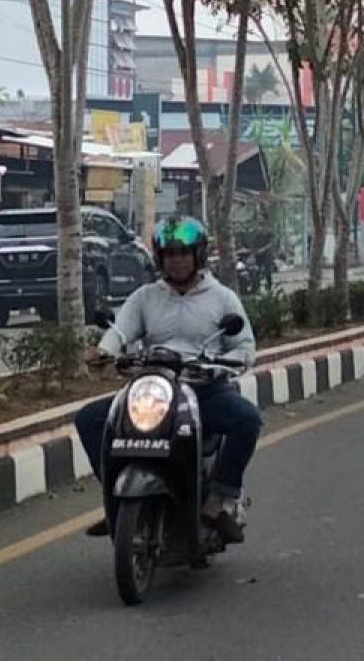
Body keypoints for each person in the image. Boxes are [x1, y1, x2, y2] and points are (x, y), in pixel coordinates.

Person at [75, 216, 260, 543]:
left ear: (197, 256)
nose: (177, 260)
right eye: (170, 254)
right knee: (90, 419)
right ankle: (116, 502)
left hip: (204, 389)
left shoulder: (222, 298)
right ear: (160, 259)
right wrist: (103, 352)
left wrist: (225, 363)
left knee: (247, 420)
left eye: (183, 253)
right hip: (154, 388)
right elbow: (119, 332)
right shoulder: (145, 297)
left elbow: (244, 346)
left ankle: (219, 500)